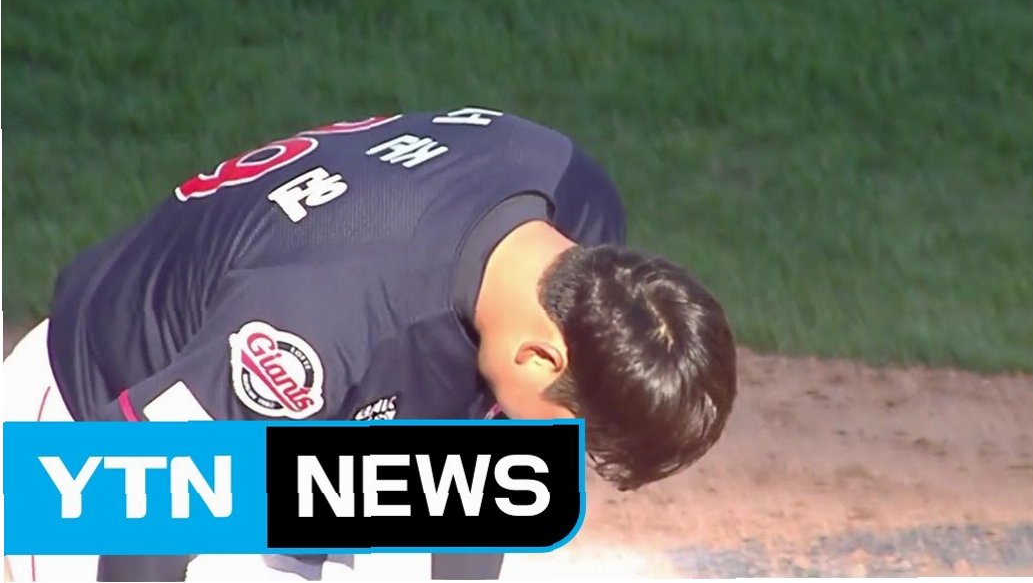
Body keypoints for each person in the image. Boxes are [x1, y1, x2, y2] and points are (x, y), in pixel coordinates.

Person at [2, 106, 738, 582]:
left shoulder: (577, 208)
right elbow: (142, 501)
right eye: (570, 431)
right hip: (94, 432)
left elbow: (480, 475)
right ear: (539, 357)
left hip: (295, 428)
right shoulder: (318, 330)